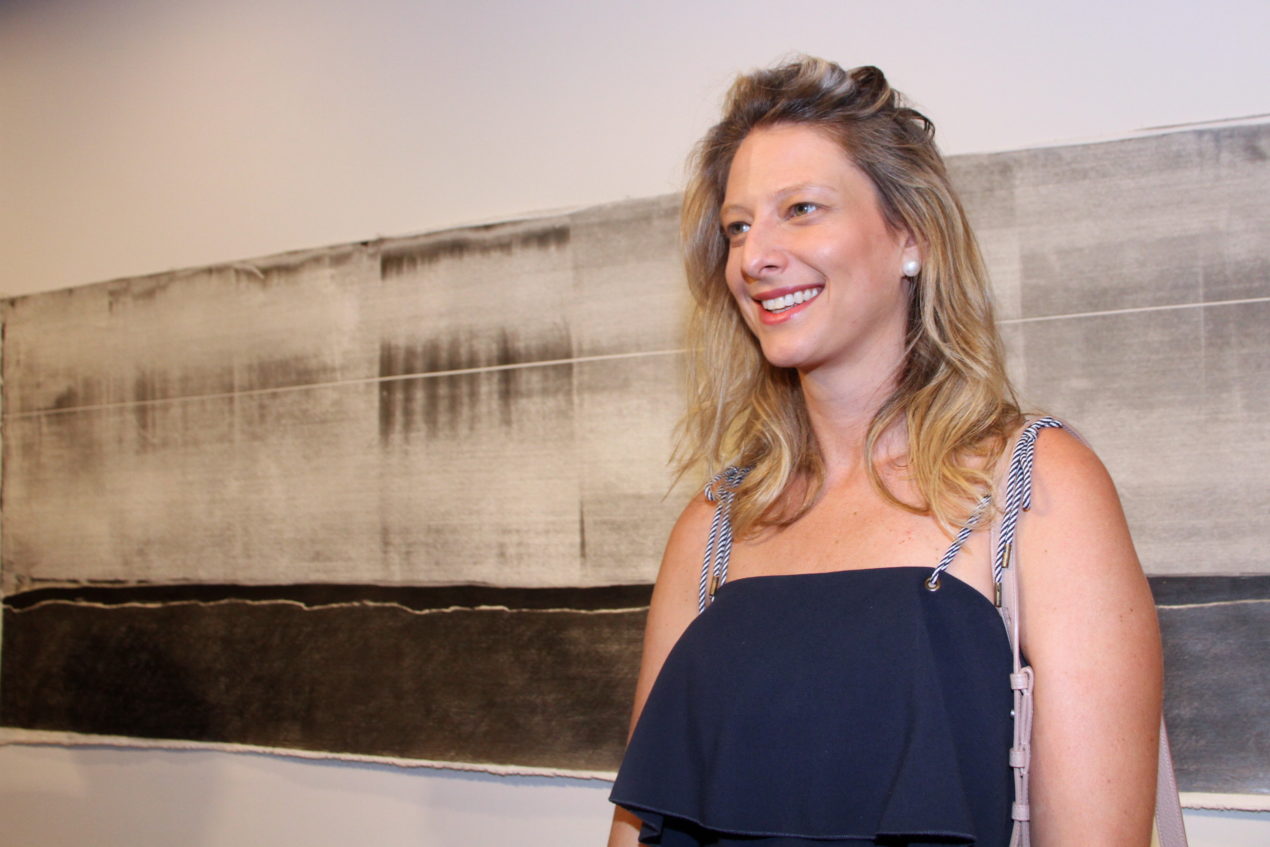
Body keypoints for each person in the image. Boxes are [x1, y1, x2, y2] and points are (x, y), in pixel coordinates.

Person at [606, 57, 1163, 847]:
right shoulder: (714, 525)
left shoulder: (1039, 487)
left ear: (911, 237)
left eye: (801, 209)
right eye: (738, 227)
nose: (755, 257)